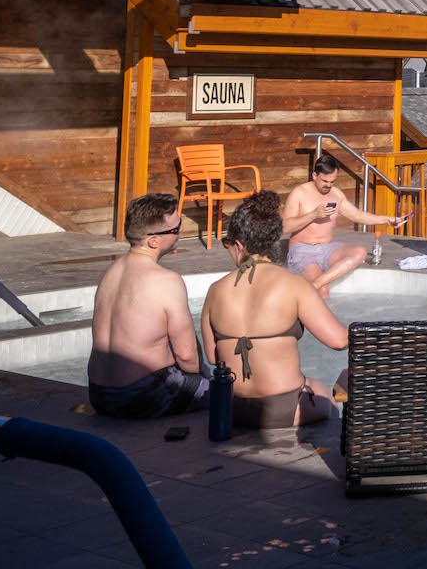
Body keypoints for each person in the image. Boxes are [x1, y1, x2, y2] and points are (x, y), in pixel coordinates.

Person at [202, 190, 350, 429]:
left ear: (239, 245)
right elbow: (338, 341)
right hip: (284, 410)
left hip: (232, 409)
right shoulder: (294, 286)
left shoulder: (215, 290)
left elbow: (212, 357)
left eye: (227, 244)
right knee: (324, 392)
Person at [87, 193, 208, 419]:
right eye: (176, 229)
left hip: (99, 394)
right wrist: (204, 377)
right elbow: (187, 357)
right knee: (223, 390)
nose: (180, 233)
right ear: (153, 241)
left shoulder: (111, 273)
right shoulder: (166, 280)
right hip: (140, 396)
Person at [283, 153, 408, 298]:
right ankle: (318, 290)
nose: (328, 185)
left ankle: (316, 284)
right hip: (303, 249)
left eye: (332, 181)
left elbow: (357, 215)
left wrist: (387, 220)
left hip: (327, 249)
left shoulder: (336, 195)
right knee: (323, 291)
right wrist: (313, 215)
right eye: (325, 181)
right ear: (314, 175)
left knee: (359, 252)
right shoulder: (299, 193)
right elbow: (286, 227)